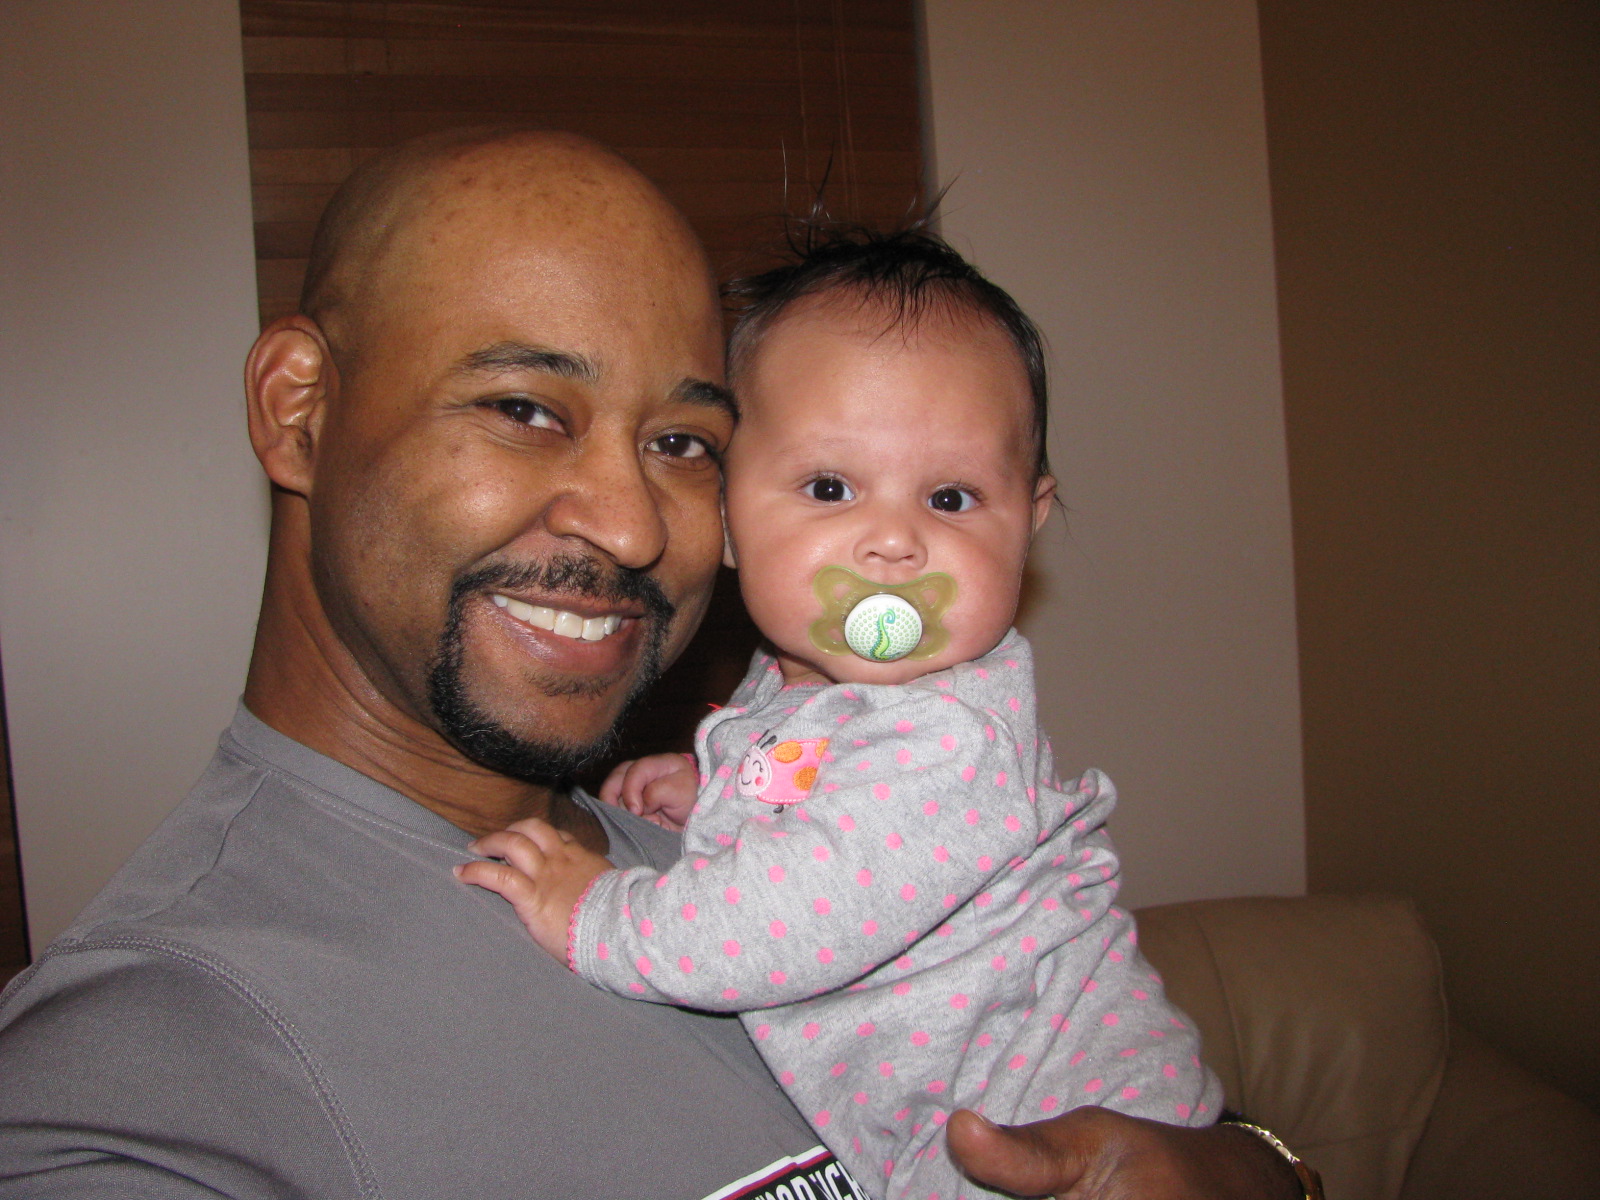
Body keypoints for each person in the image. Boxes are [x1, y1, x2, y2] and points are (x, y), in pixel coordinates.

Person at [0, 128, 1308, 1199]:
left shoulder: (711, 831)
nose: (633, 526)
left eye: (682, 443)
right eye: (525, 409)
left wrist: (1247, 1168)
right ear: (299, 409)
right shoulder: (161, 1056)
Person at [458, 228, 1225, 1200]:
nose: (894, 541)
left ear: (1027, 521)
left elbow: (779, 922)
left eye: (951, 497)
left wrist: (599, 915)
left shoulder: (950, 739)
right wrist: (725, 789)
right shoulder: (807, 686)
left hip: (1067, 1137)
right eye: (830, 488)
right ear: (726, 515)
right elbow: (840, 803)